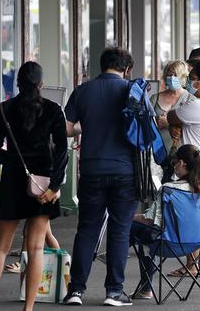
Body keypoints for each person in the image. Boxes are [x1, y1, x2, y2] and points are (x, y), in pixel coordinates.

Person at [0, 62, 67, 311]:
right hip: (43, 182)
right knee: (37, 247)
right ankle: (28, 308)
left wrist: (13, 160)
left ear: (18, 83)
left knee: (0, 247)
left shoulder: (4, 110)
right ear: (41, 84)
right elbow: (62, 150)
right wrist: (55, 184)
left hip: (13, 180)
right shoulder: (53, 110)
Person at [64, 47, 137, 307]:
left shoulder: (82, 90)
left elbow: (67, 128)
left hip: (92, 169)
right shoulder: (132, 91)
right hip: (124, 171)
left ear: (101, 65)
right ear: (126, 69)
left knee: (86, 230)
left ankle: (75, 291)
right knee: (119, 231)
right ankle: (113, 292)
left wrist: (88, 124)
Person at [130, 144, 200, 300]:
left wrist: (127, 217)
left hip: (168, 244)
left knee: (131, 228)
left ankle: (144, 287)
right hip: (196, 244)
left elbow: (150, 220)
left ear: (182, 163)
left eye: (175, 163)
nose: (174, 166)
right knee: (140, 230)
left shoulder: (169, 189)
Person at [167, 61, 200, 275]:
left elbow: (171, 117)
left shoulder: (198, 105)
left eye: (192, 78)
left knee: (190, 218)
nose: (189, 82)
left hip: (194, 168)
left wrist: (173, 116)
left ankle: (192, 265)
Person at [150, 60, 195, 152]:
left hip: (182, 153)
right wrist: (155, 123)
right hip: (156, 152)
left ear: (182, 76)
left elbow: (195, 129)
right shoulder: (155, 98)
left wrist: (169, 124)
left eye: (175, 75)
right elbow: (144, 124)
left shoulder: (191, 100)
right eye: (168, 75)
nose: (171, 78)